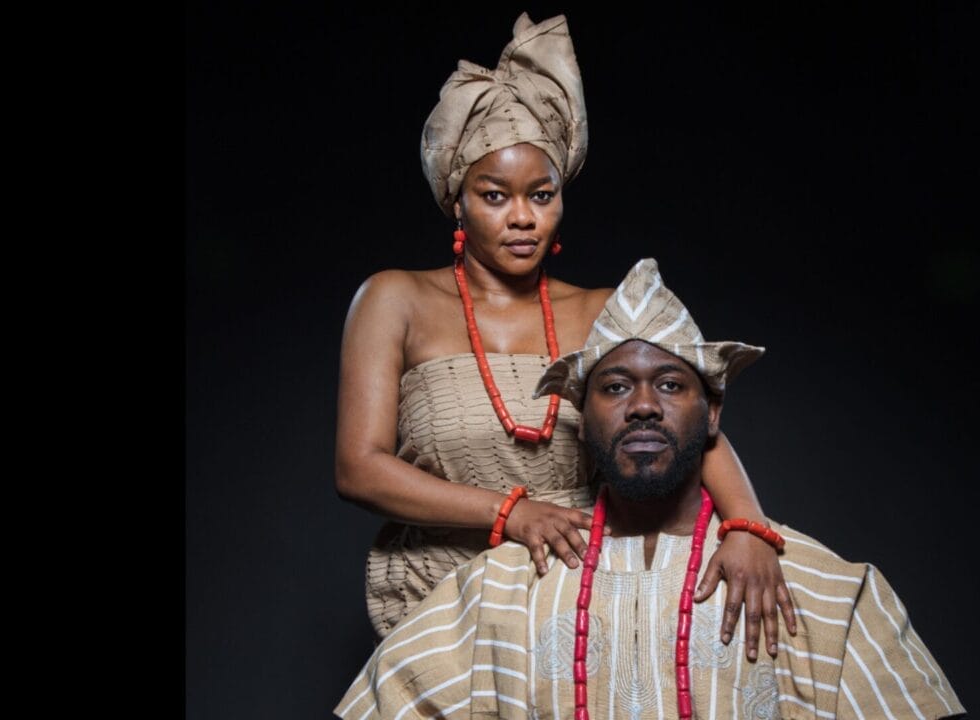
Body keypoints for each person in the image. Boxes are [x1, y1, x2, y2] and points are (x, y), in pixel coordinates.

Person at [334, 13, 792, 659]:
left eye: (541, 195)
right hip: (436, 595)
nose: (522, 218)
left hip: (581, 588)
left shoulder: (601, 309)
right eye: (495, 196)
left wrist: (748, 526)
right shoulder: (395, 299)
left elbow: (689, 424)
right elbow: (359, 469)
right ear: (456, 200)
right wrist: (511, 513)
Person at [334, 259, 967, 720]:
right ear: (583, 421)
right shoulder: (498, 593)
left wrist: (748, 525)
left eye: (670, 385)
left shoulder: (820, 591)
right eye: (613, 388)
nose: (642, 406)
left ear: (713, 412)